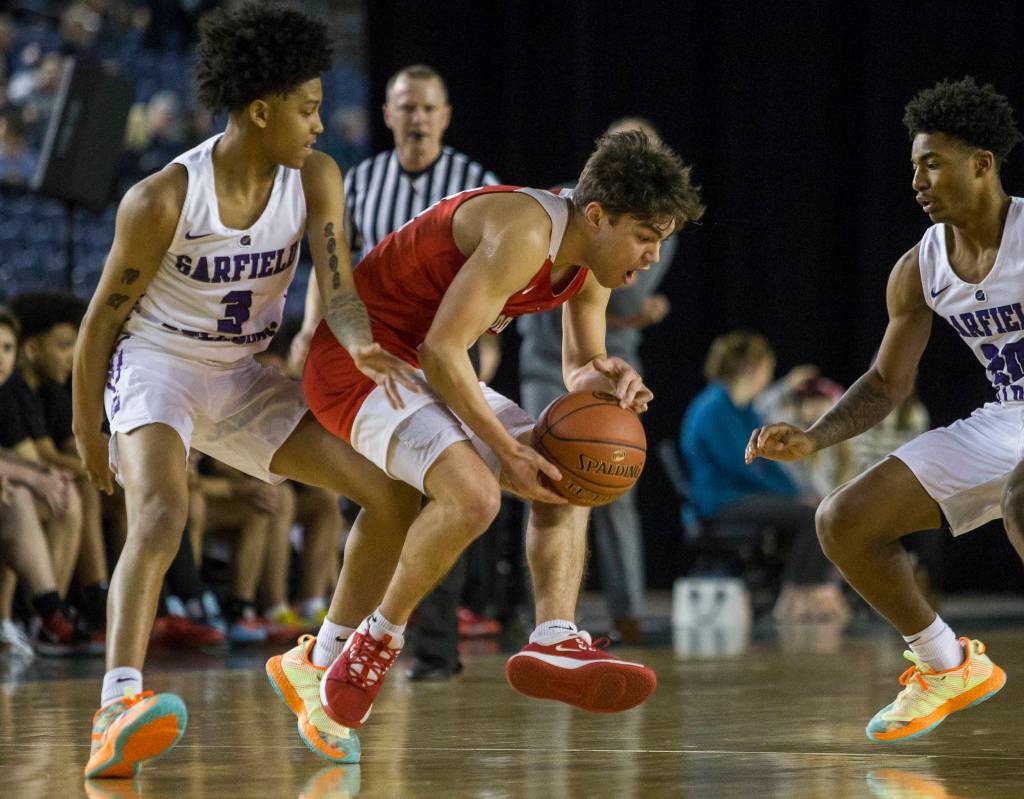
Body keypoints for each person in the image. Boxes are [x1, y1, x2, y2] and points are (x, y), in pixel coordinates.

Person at [72, 3, 420, 778]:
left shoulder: (316, 177)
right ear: (260, 112)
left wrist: (359, 338)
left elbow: (338, 289)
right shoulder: (163, 197)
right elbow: (99, 324)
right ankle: (116, 706)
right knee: (163, 511)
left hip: (244, 371)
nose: (320, 125)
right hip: (159, 362)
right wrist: (88, 430)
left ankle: (317, 663)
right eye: (308, 109)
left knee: (395, 498)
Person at [281, 130, 703, 739]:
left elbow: (580, 364)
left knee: (567, 468)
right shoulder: (526, 231)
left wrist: (608, 378)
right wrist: (505, 449)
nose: (652, 257)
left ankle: (555, 635)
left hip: (423, 363)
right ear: (596, 215)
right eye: (645, 237)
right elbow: (443, 349)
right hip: (360, 360)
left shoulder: (590, 262)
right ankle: (378, 639)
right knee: (475, 496)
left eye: (659, 241)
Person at [747, 77, 1016, 742]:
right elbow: (885, 384)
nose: (918, 179)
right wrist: (811, 437)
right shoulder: (921, 265)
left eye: (933, 163)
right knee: (843, 519)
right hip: (1011, 414)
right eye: (913, 166)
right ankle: (946, 665)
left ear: (982, 164)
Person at [292, 64, 504, 682]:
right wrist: (310, 327)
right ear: (388, 115)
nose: (418, 119)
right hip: (366, 358)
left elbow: (497, 288)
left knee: (457, 495)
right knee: (379, 496)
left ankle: (430, 651)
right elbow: (331, 263)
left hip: (441, 352)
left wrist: (480, 357)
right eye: (406, 108)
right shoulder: (360, 181)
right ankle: (347, 636)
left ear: (446, 116)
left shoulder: (475, 183)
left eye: (429, 108)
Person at [519, 116, 676, 643]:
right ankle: (549, 619)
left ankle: (624, 613)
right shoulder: (566, 211)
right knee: (551, 478)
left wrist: (634, 309)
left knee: (611, 477)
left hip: (607, 360)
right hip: (544, 357)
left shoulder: (659, 214)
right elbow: (633, 298)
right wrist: (641, 310)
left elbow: (624, 291)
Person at [680, 331, 846, 622]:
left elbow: (770, 464)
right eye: (767, 367)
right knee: (811, 516)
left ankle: (804, 591)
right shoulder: (713, 408)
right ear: (752, 368)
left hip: (743, 496)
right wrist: (795, 498)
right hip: (721, 501)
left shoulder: (743, 410)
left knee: (818, 508)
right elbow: (743, 467)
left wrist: (798, 494)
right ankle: (795, 595)